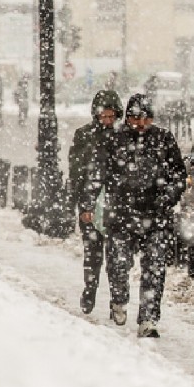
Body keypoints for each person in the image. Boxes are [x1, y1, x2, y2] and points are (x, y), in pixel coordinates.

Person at [83, 93, 186, 338]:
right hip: (121, 215)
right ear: (127, 117)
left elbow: (179, 175)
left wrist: (168, 195)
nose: (141, 124)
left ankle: (149, 319)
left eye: (146, 118)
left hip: (155, 215)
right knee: (118, 264)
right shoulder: (114, 141)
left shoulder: (163, 139)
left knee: (154, 268)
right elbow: (96, 174)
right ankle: (119, 299)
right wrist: (88, 204)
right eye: (136, 118)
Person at [69, 88, 123, 314]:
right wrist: (79, 202)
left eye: (112, 116)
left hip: (114, 204)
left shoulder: (121, 138)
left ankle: (116, 299)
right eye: (104, 116)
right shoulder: (84, 135)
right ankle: (90, 290)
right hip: (90, 200)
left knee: (116, 256)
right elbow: (76, 171)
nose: (108, 120)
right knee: (92, 252)